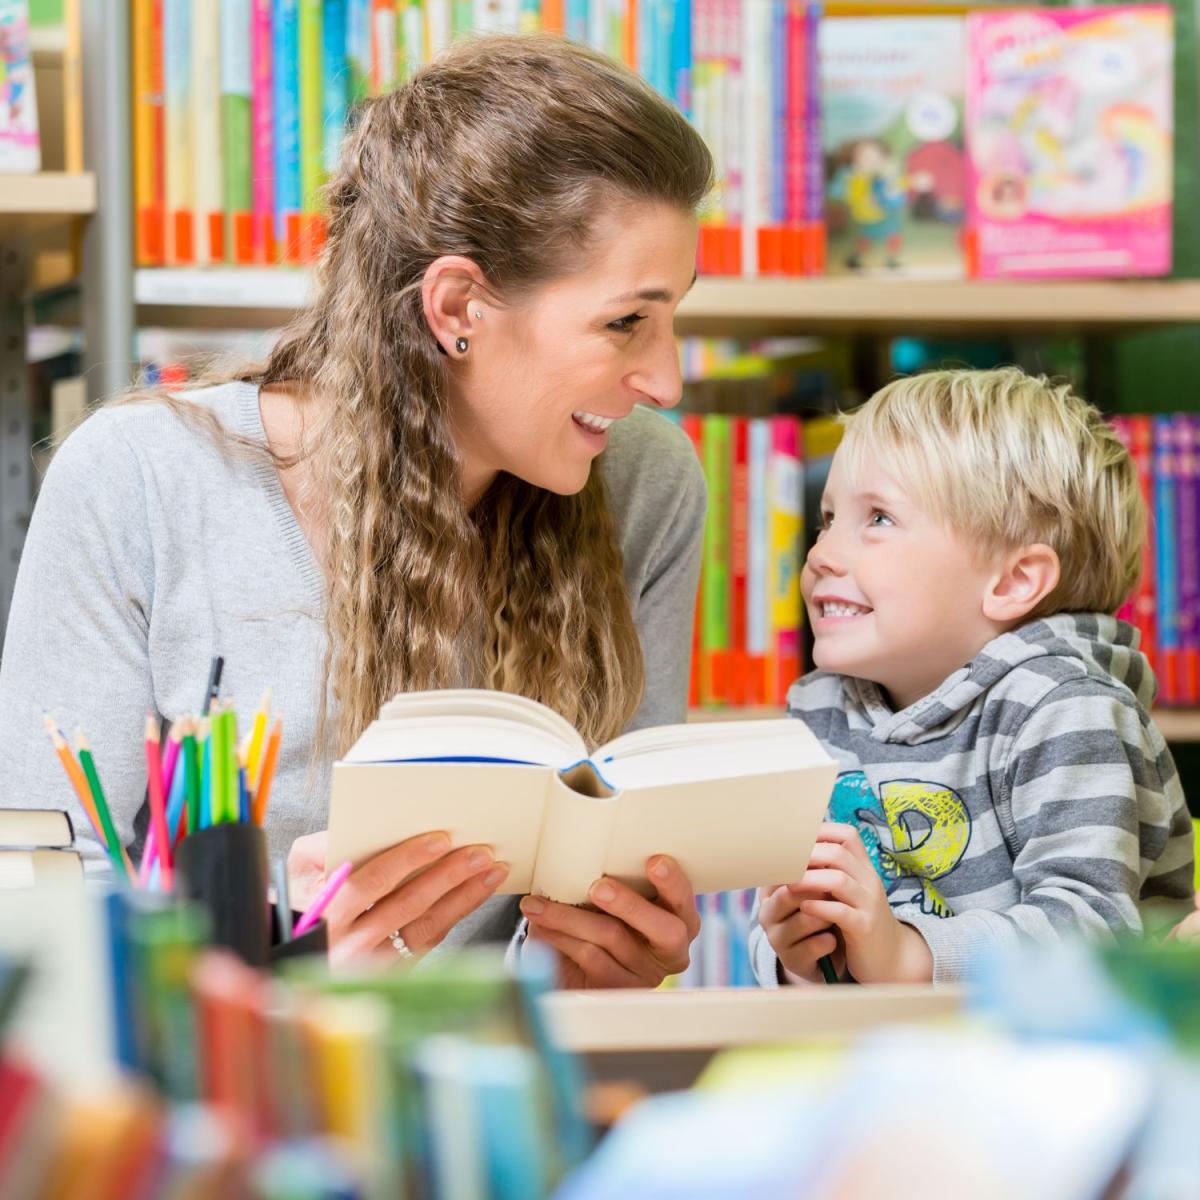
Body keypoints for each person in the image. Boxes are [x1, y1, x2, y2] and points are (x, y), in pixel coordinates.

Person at [0, 34, 713, 986]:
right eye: (627, 321)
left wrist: (603, 957)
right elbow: (35, 912)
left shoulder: (646, 485)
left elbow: (621, 860)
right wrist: (281, 962)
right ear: (457, 306)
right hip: (225, 1097)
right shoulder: (138, 476)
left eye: (674, 317)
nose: (665, 378)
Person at [752, 367, 1195, 986]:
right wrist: (795, 952)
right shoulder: (817, 711)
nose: (821, 554)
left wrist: (909, 954)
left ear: (1012, 582)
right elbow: (778, 921)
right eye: (828, 518)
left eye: (878, 518)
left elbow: (1088, 932)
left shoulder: (1066, 709)